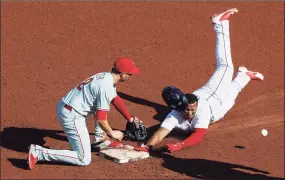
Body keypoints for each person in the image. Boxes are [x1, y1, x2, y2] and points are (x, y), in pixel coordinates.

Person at [134, 8, 264, 153]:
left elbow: (198, 135)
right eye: (187, 110)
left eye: (192, 110)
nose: (189, 113)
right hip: (216, 112)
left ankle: (220, 24)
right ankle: (245, 75)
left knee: (226, 66)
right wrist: (147, 146)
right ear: (181, 108)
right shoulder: (175, 113)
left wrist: (180, 146)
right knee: (232, 95)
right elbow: (161, 132)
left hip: (212, 94)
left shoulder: (200, 111)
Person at [27, 57, 141, 169]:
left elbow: (114, 98)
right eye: (130, 74)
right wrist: (112, 133)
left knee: (102, 104)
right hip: (72, 116)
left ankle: (99, 140)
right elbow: (100, 119)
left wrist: (129, 118)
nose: (131, 76)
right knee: (83, 158)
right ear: (123, 74)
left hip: (68, 106)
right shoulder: (106, 87)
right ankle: (39, 152)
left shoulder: (107, 77)